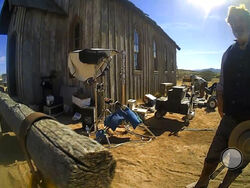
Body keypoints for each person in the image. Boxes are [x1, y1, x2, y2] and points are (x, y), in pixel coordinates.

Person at [189, 4, 250, 188]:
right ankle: (203, 182)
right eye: (232, 24)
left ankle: (224, 186)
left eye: (240, 22)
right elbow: (222, 83)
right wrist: (221, 104)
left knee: (240, 155)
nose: (236, 26)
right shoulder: (227, 54)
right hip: (231, 115)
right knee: (214, 152)